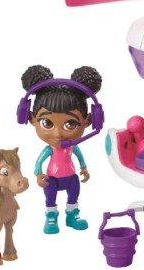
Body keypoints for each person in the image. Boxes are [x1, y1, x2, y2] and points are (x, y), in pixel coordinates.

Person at [21, 64, 102, 234]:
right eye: (47, 123)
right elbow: (39, 162)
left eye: (70, 124)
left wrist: (84, 168)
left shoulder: (72, 147)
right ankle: (51, 218)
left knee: (75, 192)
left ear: (89, 121)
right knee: (50, 196)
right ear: (31, 119)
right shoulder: (49, 149)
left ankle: (72, 216)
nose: (58, 134)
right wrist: (38, 174)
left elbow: (79, 156)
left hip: (70, 177)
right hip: (52, 179)